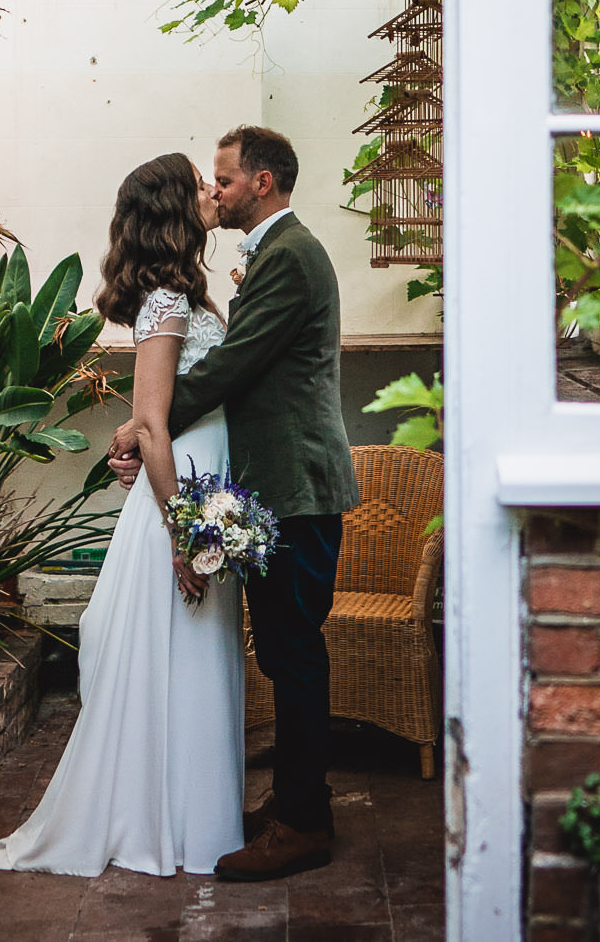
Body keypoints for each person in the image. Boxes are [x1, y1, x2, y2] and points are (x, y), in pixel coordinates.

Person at [0, 152, 245, 877]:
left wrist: (131, 442)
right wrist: (184, 534)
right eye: (196, 184)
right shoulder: (163, 301)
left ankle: (195, 816)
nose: (209, 191)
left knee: (199, 659)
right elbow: (153, 424)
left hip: (197, 489)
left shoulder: (186, 295)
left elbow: (148, 417)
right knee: (179, 656)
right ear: (173, 209)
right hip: (181, 503)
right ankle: (159, 819)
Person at [108, 125, 358, 883]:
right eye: (206, 181)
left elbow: (229, 369)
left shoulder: (289, 258)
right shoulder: (274, 255)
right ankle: (295, 801)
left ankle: (303, 822)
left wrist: (139, 425)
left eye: (223, 178)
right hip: (272, 486)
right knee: (286, 647)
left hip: (295, 485)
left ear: (262, 181)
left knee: (293, 649)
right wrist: (145, 427)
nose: (213, 191)